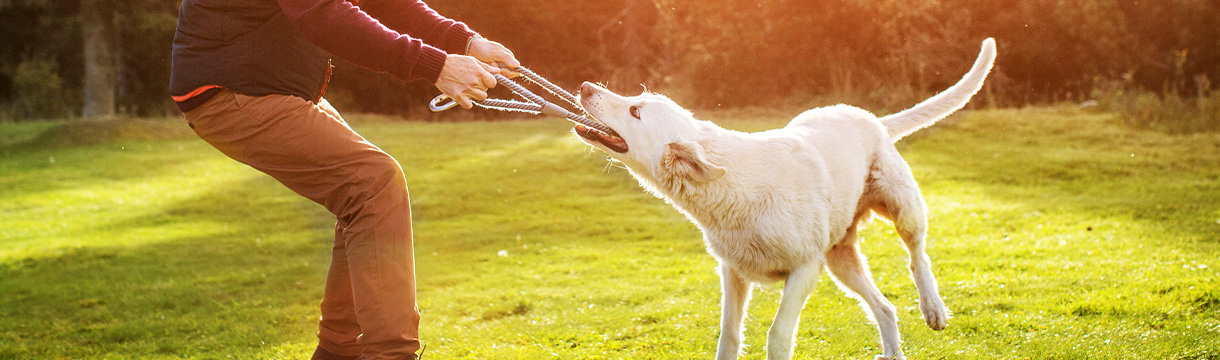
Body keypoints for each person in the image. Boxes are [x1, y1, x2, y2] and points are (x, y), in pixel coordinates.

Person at [168, 1, 519, 359]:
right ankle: (389, 354)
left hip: (265, 86)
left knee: (364, 196)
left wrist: (465, 41)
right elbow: (324, 15)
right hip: (230, 91)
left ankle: (337, 353)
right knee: (373, 184)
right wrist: (436, 64)